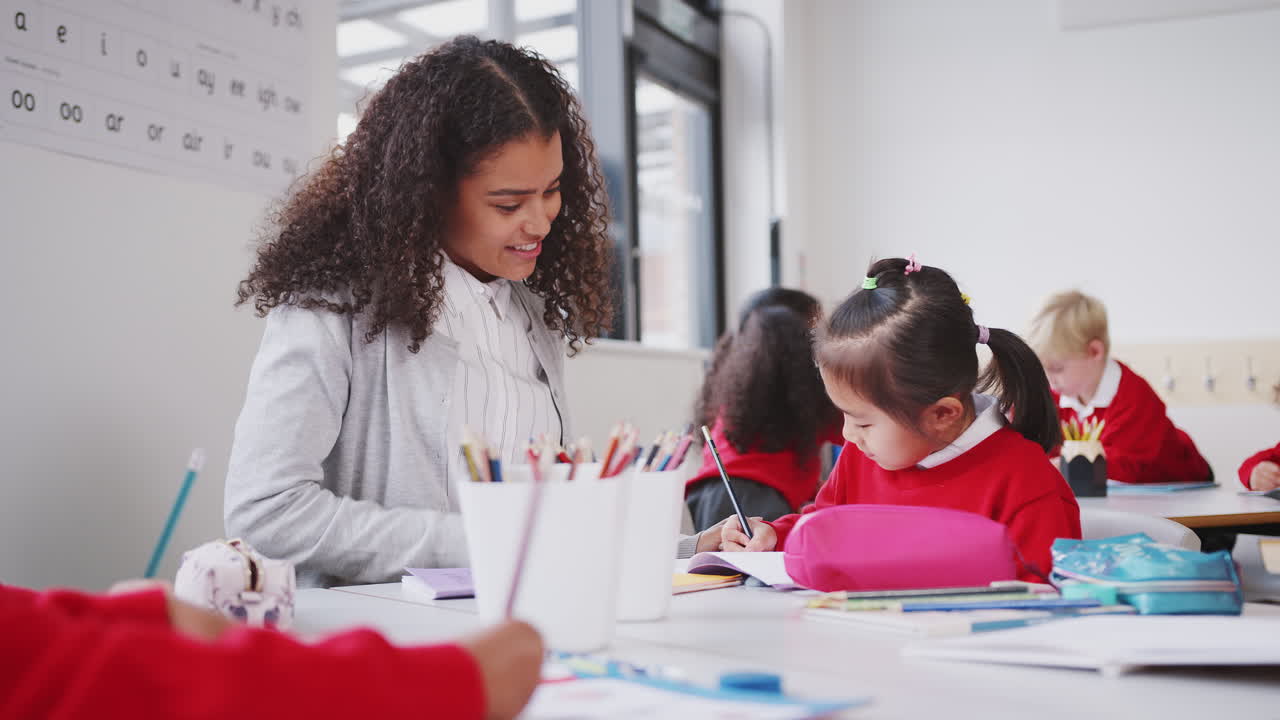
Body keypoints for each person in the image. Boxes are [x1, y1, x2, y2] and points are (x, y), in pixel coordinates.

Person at [224, 37, 614, 587]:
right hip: (380, 648)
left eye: (552, 191)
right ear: (428, 193)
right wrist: (477, 541)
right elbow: (265, 511)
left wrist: (692, 548)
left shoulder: (532, 317)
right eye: (508, 204)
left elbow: (550, 525)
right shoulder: (335, 308)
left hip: (515, 629)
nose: (542, 221)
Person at [720, 257, 1081, 582]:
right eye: (844, 416)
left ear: (942, 414)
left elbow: (1047, 595)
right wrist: (775, 536)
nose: (848, 435)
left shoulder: (1026, 482)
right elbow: (825, 527)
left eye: (863, 423)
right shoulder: (861, 457)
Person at [0, 580, 542, 719]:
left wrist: (148, 614)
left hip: (430, 620)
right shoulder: (325, 316)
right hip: (372, 626)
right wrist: (453, 678)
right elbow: (272, 505)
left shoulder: (531, 326)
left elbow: (29, 633)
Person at [685, 302, 841, 531]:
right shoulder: (806, 401)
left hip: (708, 494)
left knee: (714, 566)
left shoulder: (733, 394)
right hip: (758, 500)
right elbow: (852, 431)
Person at [1028, 290, 1211, 485]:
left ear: (1094, 352)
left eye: (1056, 369)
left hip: (1185, 479)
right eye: (1043, 369)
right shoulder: (1054, 395)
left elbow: (1126, 466)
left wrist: (1061, 466)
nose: (1049, 379)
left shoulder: (1133, 397)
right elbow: (1037, 444)